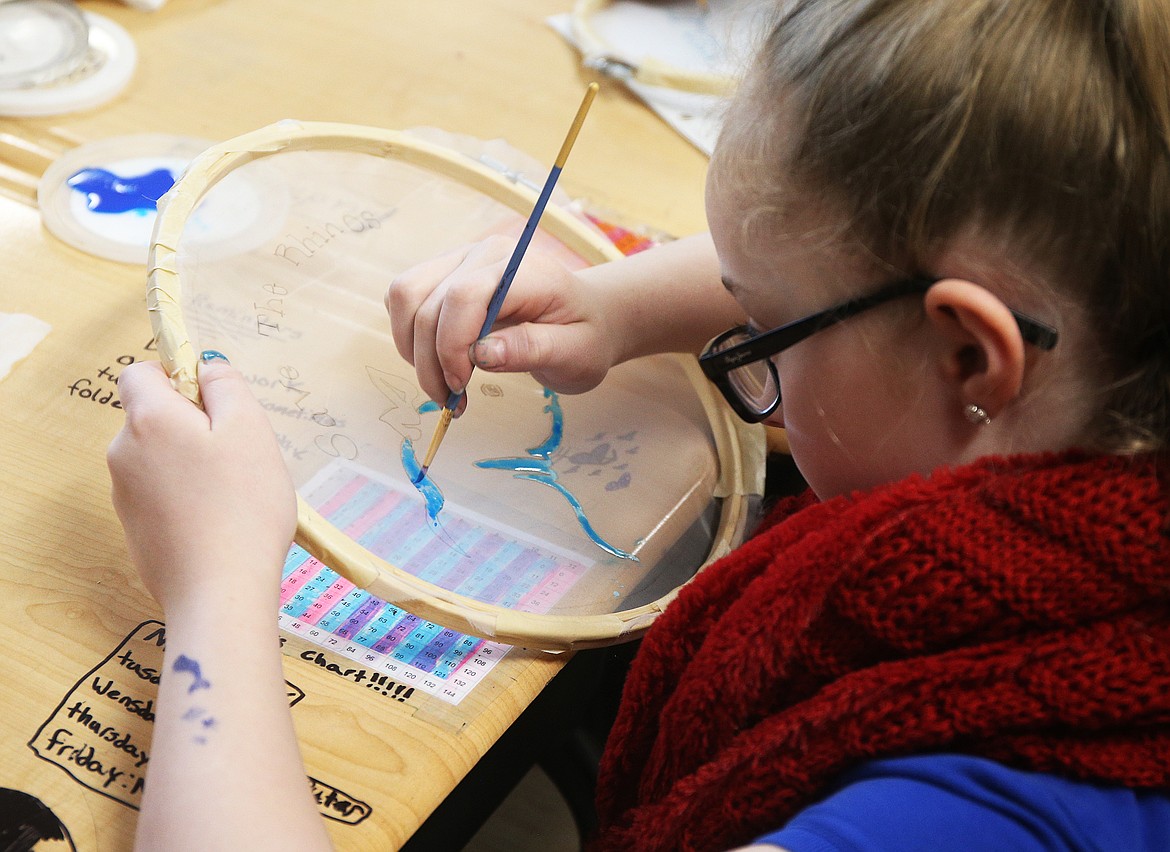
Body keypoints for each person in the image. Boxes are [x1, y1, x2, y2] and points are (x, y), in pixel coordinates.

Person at [108, 0, 1170, 849]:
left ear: (973, 359)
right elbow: (868, 287)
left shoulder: (975, 811)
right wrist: (618, 306)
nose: (730, 322)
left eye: (754, 321)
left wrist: (215, 590)